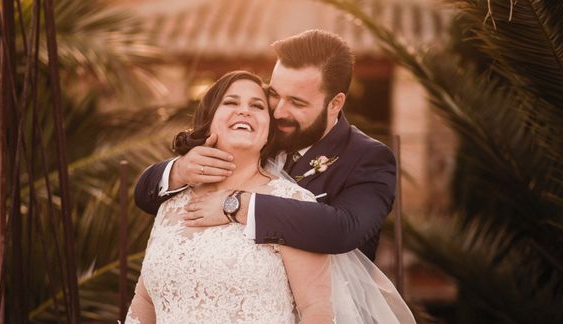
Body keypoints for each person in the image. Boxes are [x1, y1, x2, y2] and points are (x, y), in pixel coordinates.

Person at [94, 71, 438, 324]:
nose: (245, 110)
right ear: (210, 121)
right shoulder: (172, 203)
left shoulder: (290, 202)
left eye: (257, 105)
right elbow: (145, 299)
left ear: (268, 129)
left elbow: (316, 308)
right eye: (231, 102)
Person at [134, 29, 396, 260]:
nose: (279, 111)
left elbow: (343, 230)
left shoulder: (369, 158)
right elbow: (145, 197)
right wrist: (180, 170)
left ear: (335, 103)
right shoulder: (260, 131)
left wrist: (236, 204)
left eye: (297, 102)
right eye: (274, 94)